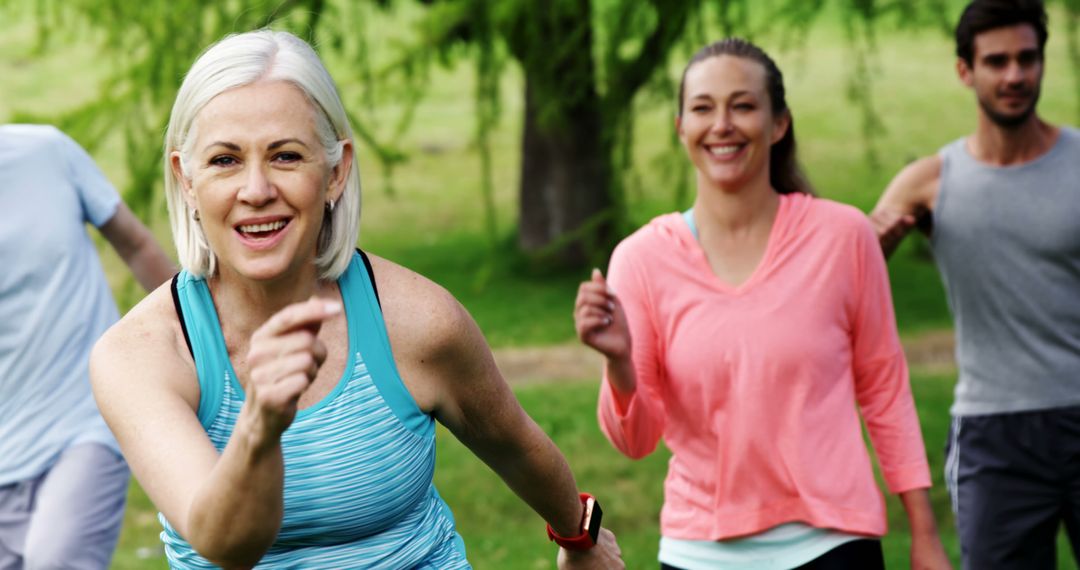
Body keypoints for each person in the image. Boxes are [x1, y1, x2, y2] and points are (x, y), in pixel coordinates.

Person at [89, 29, 622, 569]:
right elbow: (226, 544)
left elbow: (513, 442)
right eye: (225, 160)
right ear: (186, 180)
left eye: (285, 156)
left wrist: (582, 539)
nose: (255, 190)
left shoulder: (417, 321)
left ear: (336, 171)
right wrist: (260, 426)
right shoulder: (141, 356)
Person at [574, 38, 951, 570]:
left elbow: (885, 390)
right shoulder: (640, 260)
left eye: (743, 105)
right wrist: (618, 364)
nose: (722, 124)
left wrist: (924, 533)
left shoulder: (843, 236)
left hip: (834, 544)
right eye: (703, 108)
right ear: (681, 127)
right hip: (699, 552)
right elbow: (636, 442)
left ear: (778, 125)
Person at [870, 0, 1080, 567]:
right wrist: (876, 248)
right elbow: (843, 279)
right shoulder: (929, 183)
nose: (1014, 75)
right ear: (966, 70)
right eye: (996, 61)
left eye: (1026, 58)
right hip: (993, 434)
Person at [0, 124, 175, 569]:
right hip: (7, 440)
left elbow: (136, 246)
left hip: (84, 418)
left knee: (53, 561)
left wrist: (207, 344)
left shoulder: (48, 153)